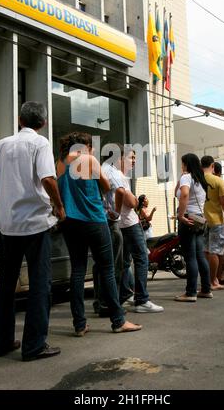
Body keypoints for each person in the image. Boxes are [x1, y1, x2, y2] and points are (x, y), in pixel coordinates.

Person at [0, 102, 65, 361]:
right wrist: (59, 207)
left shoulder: (3, 144)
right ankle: (34, 345)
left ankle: (1, 343)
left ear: (19, 120)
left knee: (6, 285)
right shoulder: (40, 144)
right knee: (39, 284)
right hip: (35, 224)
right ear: (43, 123)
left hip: (7, 225)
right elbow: (48, 179)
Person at [56, 132, 142, 334]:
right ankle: (118, 320)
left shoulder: (60, 163)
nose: (94, 149)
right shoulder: (88, 159)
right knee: (107, 269)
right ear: (84, 145)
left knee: (77, 271)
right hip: (93, 219)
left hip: (70, 222)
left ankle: (79, 324)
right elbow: (106, 186)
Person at [116, 146, 164, 313]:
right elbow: (131, 202)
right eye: (131, 157)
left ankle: (125, 296)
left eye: (135, 157)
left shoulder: (115, 174)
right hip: (129, 223)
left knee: (124, 261)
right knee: (142, 257)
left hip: (121, 224)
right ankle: (142, 300)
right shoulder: (120, 176)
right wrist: (137, 201)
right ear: (119, 159)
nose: (134, 161)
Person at [174, 153, 212, 302]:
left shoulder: (187, 178)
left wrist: (181, 215)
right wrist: (181, 177)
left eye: (182, 163)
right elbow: (179, 191)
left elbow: (183, 195)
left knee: (190, 256)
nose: (181, 166)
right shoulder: (200, 180)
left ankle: (190, 292)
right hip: (200, 219)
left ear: (186, 164)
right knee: (200, 255)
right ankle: (206, 289)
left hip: (188, 218)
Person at [92, 153, 126, 316]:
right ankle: (110, 304)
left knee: (100, 265)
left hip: (99, 219)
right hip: (110, 221)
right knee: (113, 266)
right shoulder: (112, 171)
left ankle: (100, 302)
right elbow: (120, 191)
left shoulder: (99, 169)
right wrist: (117, 212)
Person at [201, 156, 224, 291]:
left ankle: (207, 280)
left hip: (202, 220)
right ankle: (213, 280)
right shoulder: (218, 181)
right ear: (212, 165)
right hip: (216, 220)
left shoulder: (196, 180)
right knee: (214, 252)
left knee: (205, 251)